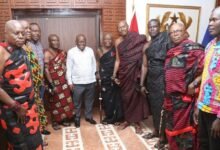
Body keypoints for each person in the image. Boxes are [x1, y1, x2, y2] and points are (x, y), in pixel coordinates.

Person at [0, 20, 43, 149]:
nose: (21, 36)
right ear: (6, 33)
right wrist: (16, 107)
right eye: (16, 33)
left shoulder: (22, 49)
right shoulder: (1, 52)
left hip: (29, 107)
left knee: (35, 141)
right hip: (13, 110)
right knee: (20, 144)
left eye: (23, 33)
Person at [164, 22, 204, 150]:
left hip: (185, 101)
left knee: (185, 133)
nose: (175, 34)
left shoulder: (195, 49)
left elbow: (208, 71)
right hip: (171, 99)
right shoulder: (171, 51)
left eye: (178, 31)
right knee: (172, 130)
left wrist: (195, 82)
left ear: (185, 32)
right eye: (172, 32)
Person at [112, 20, 150, 134]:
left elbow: (145, 51)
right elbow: (118, 60)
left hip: (135, 73)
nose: (122, 29)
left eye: (124, 26)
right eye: (119, 27)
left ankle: (137, 122)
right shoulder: (117, 42)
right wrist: (114, 75)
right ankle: (127, 120)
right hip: (124, 73)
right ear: (117, 30)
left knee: (136, 98)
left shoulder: (137, 38)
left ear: (128, 27)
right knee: (126, 97)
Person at [140, 19, 170, 148]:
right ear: (148, 29)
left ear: (159, 27)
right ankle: (156, 131)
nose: (153, 29)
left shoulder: (167, 39)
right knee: (154, 107)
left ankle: (163, 137)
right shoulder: (146, 46)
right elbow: (144, 65)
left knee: (162, 108)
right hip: (151, 79)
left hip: (163, 77)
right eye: (150, 27)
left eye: (155, 26)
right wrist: (142, 83)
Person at [194, 7, 220, 150]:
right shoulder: (210, 45)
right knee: (203, 144)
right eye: (209, 20)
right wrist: (199, 104)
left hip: (217, 113)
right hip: (204, 107)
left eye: (214, 20)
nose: (209, 23)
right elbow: (206, 76)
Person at [66, 34, 98, 128]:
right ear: (76, 42)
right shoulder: (71, 52)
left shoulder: (90, 50)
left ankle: (88, 117)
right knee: (77, 102)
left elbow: (93, 64)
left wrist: (94, 77)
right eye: (80, 41)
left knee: (89, 101)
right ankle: (77, 117)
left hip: (90, 81)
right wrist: (70, 82)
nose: (82, 43)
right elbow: (69, 67)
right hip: (77, 83)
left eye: (83, 41)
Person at [44, 34, 74, 130]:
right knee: (54, 101)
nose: (56, 42)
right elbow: (46, 70)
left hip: (63, 81)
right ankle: (55, 121)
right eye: (53, 40)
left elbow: (65, 65)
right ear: (49, 42)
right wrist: (52, 84)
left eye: (57, 40)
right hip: (53, 82)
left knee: (66, 101)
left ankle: (64, 119)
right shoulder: (47, 53)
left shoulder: (62, 52)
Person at [97, 33, 123, 124]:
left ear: (112, 40)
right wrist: (97, 73)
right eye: (105, 39)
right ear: (102, 40)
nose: (107, 41)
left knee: (116, 98)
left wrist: (115, 75)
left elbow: (118, 61)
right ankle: (109, 117)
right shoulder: (99, 50)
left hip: (114, 76)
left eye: (109, 39)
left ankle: (117, 118)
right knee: (107, 98)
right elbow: (98, 62)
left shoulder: (115, 49)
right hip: (104, 77)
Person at [29, 22, 50, 135]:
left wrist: (43, 81)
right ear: (29, 31)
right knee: (33, 106)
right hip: (30, 84)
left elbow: (41, 65)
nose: (36, 33)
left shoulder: (40, 45)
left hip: (40, 82)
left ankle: (41, 128)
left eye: (38, 31)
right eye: (33, 30)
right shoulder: (26, 46)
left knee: (40, 104)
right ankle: (35, 130)